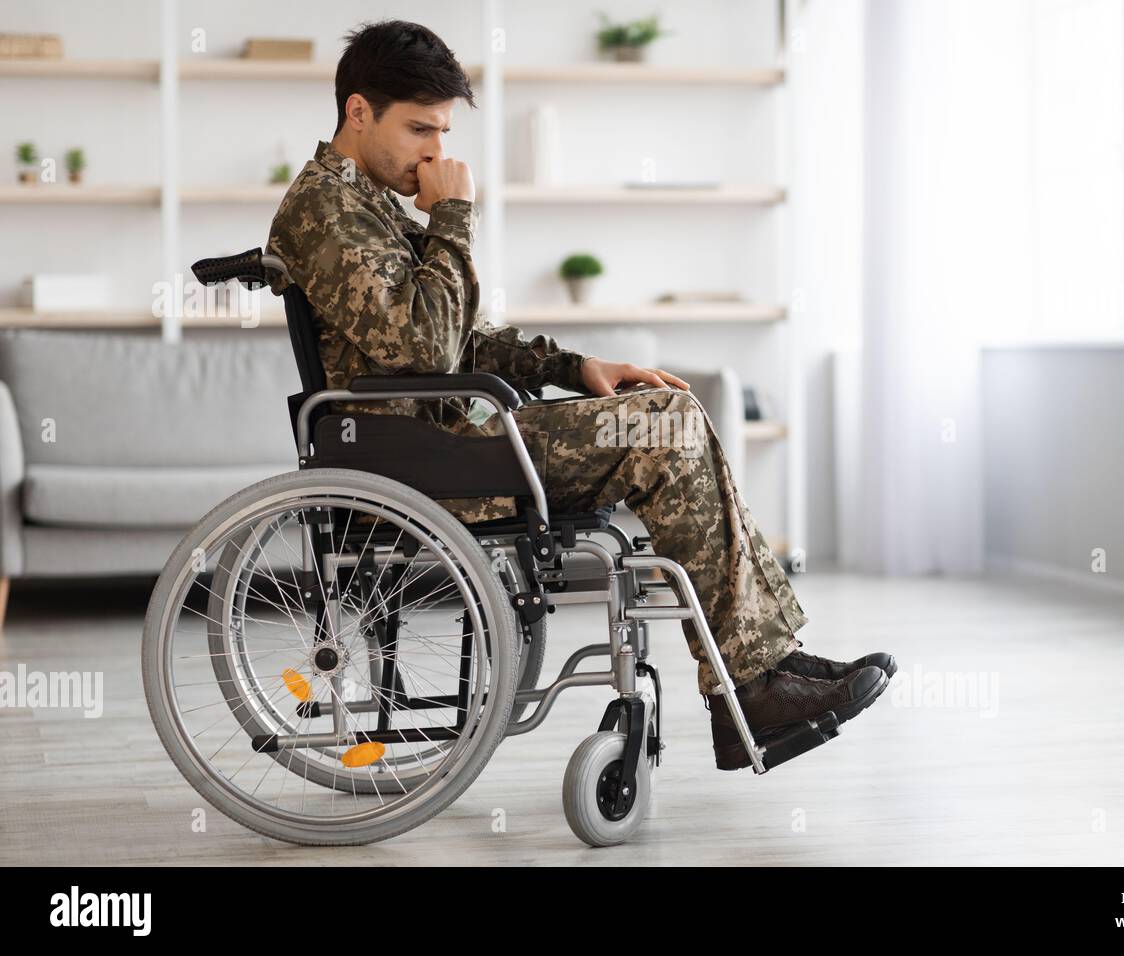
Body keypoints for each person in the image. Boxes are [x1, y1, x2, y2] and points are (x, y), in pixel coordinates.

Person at [265, 19, 895, 770]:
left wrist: (576, 364)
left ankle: (763, 672)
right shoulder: (325, 210)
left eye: (442, 131)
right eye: (420, 129)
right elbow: (426, 348)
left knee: (672, 416)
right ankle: (751, 687)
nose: (436, 151)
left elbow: (458, 338)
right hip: (421, 459)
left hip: (447, 440)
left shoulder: (369, 207)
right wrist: (455, 220)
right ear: (358, 112)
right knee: (669, 427)